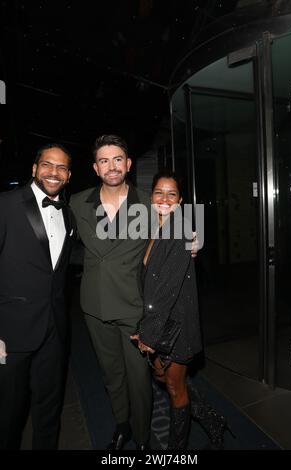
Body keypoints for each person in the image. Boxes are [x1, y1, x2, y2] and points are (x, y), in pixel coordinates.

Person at [131, 170, 232, 450]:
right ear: (151, 197)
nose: (164, 198)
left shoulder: (181, 230)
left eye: (171, 194)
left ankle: (177, 450)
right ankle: (211, 418)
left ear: (180, 200)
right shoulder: (154, 228)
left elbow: (167, 291)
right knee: (162, 377)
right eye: (159, 193)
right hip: (162, 320)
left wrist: (148, 335)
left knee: (174, 387)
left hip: (177, 325)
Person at [69, 134, 152, 450]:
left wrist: (192, 243)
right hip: (95, 306)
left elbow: (172, 243)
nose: (112, 166)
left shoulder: (147, 202)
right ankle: (122, 425)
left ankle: (143, 436)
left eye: (118, 158)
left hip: (134, 306)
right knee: (111, 373)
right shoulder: (78, 203)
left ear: (128, 164)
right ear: (95, 167)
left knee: (139, 379)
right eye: (104, 160)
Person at [0, 143, 75, 450]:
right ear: (34, 169)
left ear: (68, 176)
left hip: (54, 332)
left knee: (48, 411)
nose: (53, 173)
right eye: (47, 165)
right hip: (10, 334)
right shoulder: (5, 204)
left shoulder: (68, 215)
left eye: (61, 168)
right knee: (8, 416)